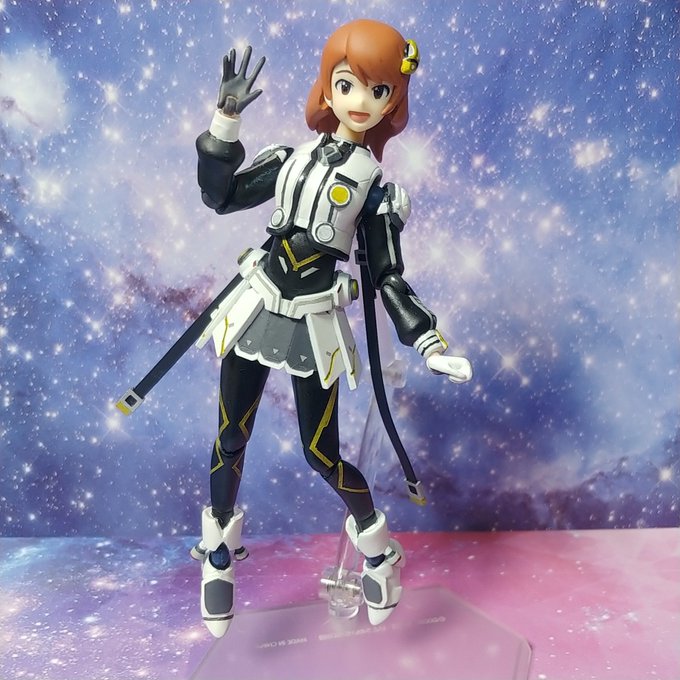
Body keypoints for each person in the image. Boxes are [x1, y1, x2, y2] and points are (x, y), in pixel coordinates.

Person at [192, 19, 472, 637]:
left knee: (321, 454)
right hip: (258, 302)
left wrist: (427, 341)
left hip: (314, 318)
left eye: (379, 91)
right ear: (328, 86)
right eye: (348, 84)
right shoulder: (288, 160)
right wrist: (225, 121)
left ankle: (375, 548)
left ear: (392, 102)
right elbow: (221, 196)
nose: (360, 101)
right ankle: (217, 553)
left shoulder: (375, 192)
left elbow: (387, 278)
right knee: (231, 435)